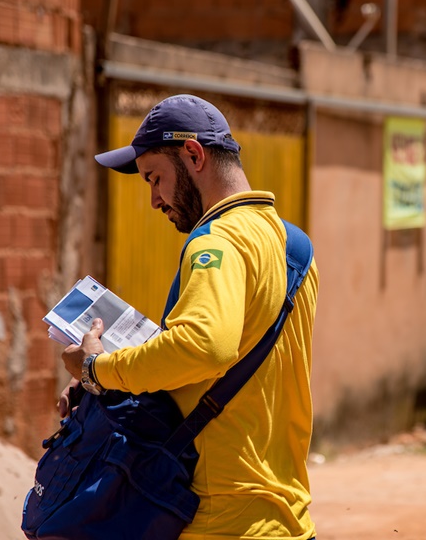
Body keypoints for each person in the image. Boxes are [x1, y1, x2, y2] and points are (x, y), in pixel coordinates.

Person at [59, 94, 319, 540]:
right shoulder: (293, 247)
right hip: (287, 517)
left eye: (154, 178)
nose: (155, 201)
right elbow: (220, 361)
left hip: (222, 519)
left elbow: (204, 346)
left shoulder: (214, 242)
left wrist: (96, 369)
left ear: (193, 154)